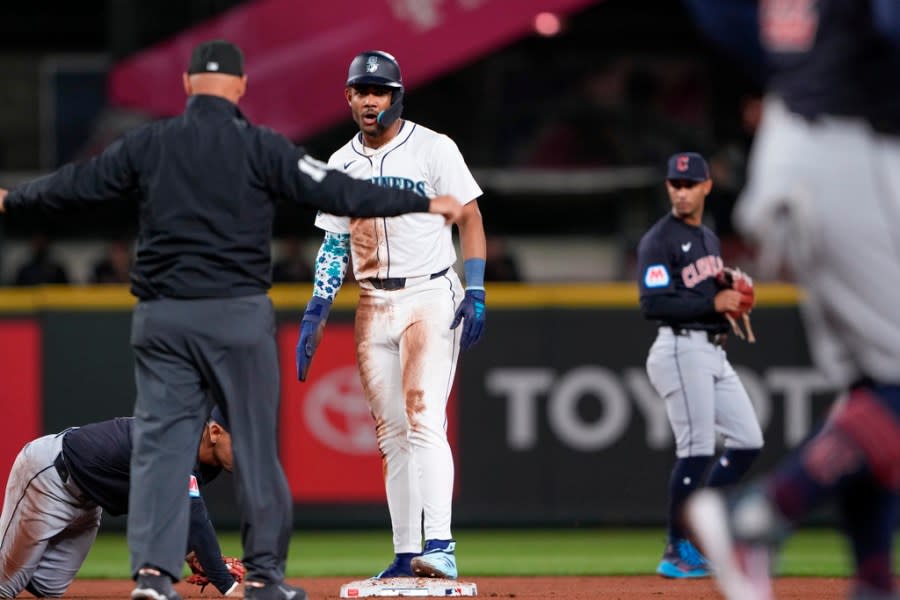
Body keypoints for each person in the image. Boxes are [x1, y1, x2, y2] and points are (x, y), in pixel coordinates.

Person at [0, 40, 463, 600]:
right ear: (241, 88)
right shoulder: (263, 146)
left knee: (162, 448)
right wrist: (420, 204)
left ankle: (152, 578)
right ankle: (265, 578)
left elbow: (78, 184)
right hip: (237, 316)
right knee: (256, 450)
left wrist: (12, 200)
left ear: (188, 86)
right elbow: (338, 189)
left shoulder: (151, 143)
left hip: (164, 318)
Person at [683, 2, 900, 600]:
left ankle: (875, 578)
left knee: (875, 388)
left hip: (805, 137)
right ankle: (756, 517)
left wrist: (797, 67)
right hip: (853, 150)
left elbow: (719, 17)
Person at [296, 50, 486, 581]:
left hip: (429, 295)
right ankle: (406, 552)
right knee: (391, 434)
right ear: (350, 98)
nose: (371, 100)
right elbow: (334, 241)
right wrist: (316, 306)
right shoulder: (341, 162)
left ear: (396, 96)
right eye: (363, 91)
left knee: (425, 421)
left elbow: (469, 216)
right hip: (372, 302)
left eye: (381, 91)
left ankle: (441, 545)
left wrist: (476, 287)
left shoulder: (432, 148)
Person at [636, 151, 763, 579]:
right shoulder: (658, 240)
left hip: (710, 348)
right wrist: (714, 301)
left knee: (748, 440)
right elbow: (653, 303)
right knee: (697, 449)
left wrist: (725, 295)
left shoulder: (708, 239)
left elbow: (711, 293)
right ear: (668, 187)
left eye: (690, 184)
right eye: (676, 183)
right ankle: (678, 548)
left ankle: (701, 524)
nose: (682, 191)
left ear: (707, 186)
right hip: (678, 349)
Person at [0, 408, 239, 598]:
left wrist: (191, 553)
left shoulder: (207, 465)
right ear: (215, 432)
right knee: (5, 585)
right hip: (51, 475)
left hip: (89, 499)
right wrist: (227, 585)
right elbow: (197, 521)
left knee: (47, 587)